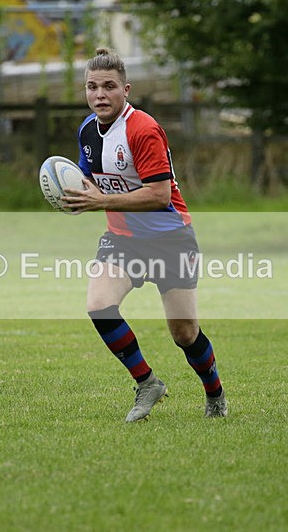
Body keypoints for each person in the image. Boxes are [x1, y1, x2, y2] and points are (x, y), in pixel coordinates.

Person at [63, 48, 227, 421]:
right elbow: (88, 178)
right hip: (123, 238)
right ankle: (147, 382)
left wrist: (101, 200)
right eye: (92, 87)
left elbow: (159, 195)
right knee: (98, 304)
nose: (100, 94)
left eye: (109, 86)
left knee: (184, 333)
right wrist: (72, 194)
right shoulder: (88, 129)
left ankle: (214, 392)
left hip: (171, 238)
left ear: (126, 90)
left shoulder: (143, 129)